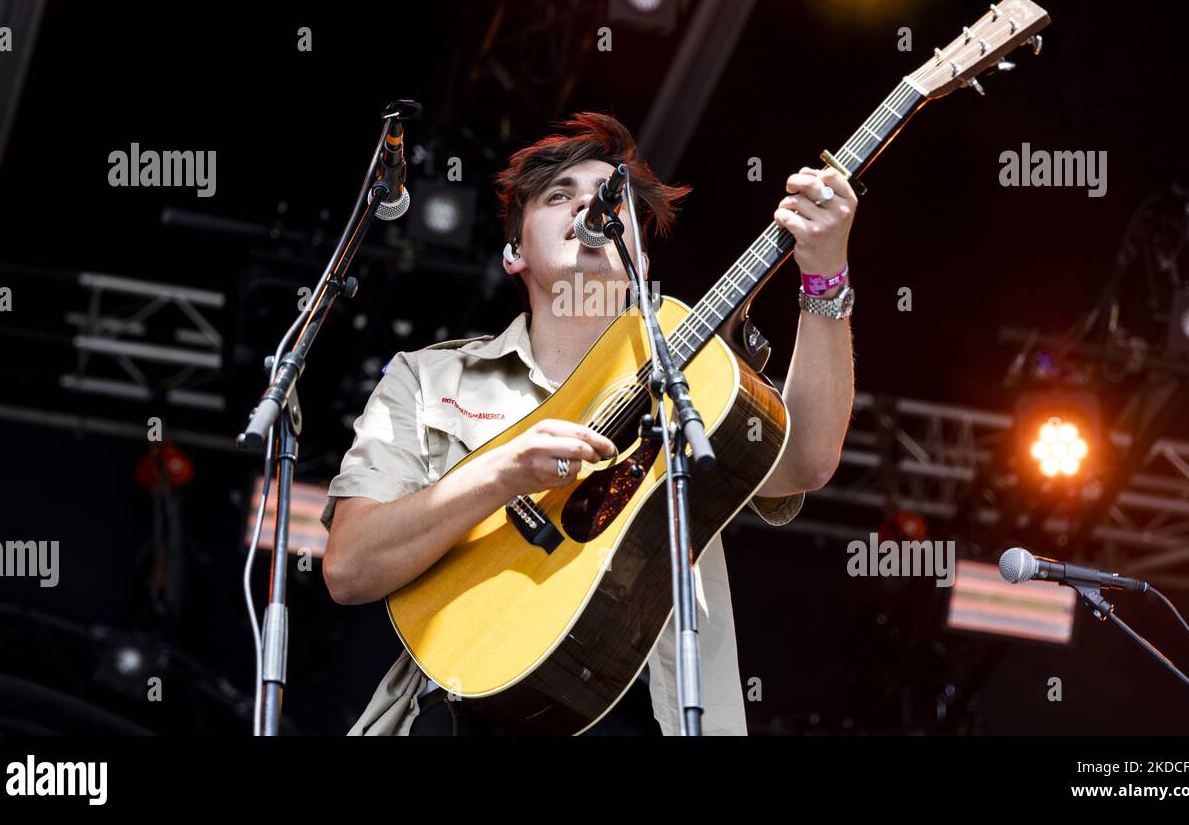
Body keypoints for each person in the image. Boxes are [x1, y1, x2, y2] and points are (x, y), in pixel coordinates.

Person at [320, 111, 856, 735]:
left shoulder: (701, 378)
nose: (590, 207)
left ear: (642, 259)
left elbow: (805, 461)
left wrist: (825, 275)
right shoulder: (427, 380)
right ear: (514, 251)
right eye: (558, 196)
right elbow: (349, 568)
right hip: (466, 713)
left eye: (610, 198)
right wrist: (500, 473)